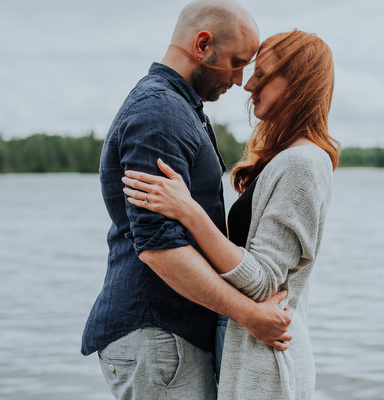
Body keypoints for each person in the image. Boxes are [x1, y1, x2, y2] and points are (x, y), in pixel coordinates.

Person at [81, 1, 293, 399]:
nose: (240, 79)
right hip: (157, 336)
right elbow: (159, 249)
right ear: (202, 44)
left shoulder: (178, 107)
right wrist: (251, 316)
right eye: (236, 62)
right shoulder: (160, 112)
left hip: (166, 337)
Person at [122, 29, 340, 399]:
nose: (247, 84)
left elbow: (264, 282)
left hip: (270, 362)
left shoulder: (303, 164)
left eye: (261, 74)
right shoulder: (285, 159)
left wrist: (188, 211)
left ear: (297, 82)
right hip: (253, 351)